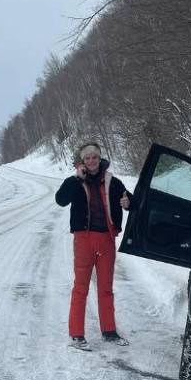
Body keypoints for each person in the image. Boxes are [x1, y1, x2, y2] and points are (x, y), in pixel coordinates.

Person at [54, 142, 133, 351]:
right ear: (82, 161)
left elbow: (129, 200)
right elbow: (60, 200)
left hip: (106, 239)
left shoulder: (113, 182)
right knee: (81, 287)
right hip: (83, 239)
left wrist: (128, 203)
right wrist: (76, 179)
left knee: (106, 288)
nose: (91, 161)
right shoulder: (74, 182)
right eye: (87, 158)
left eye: (94, 157)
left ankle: (109, 331)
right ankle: (76, 335)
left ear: (100, 159)